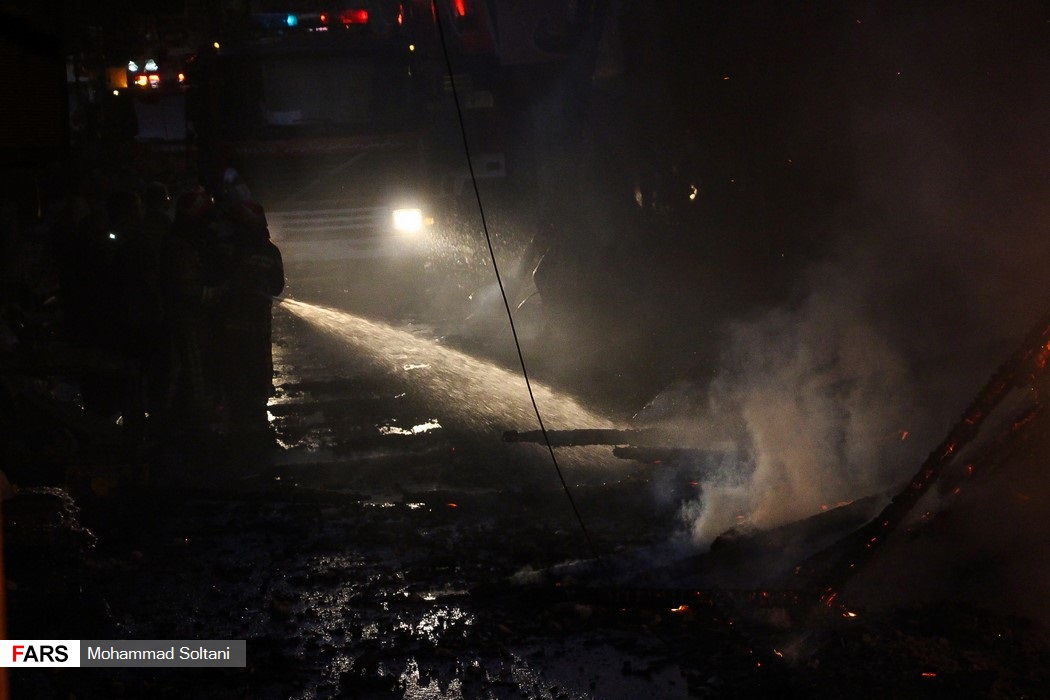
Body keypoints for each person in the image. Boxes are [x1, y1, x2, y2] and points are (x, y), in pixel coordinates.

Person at [214, 199, 284, 445]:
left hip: (231, 323)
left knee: (234, 369)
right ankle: (255, 416)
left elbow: (218, 278)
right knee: (259, 367)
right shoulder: (271, 251)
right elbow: (277, 286)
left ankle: (238, 418)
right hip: (258, 323)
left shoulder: (230, 249)